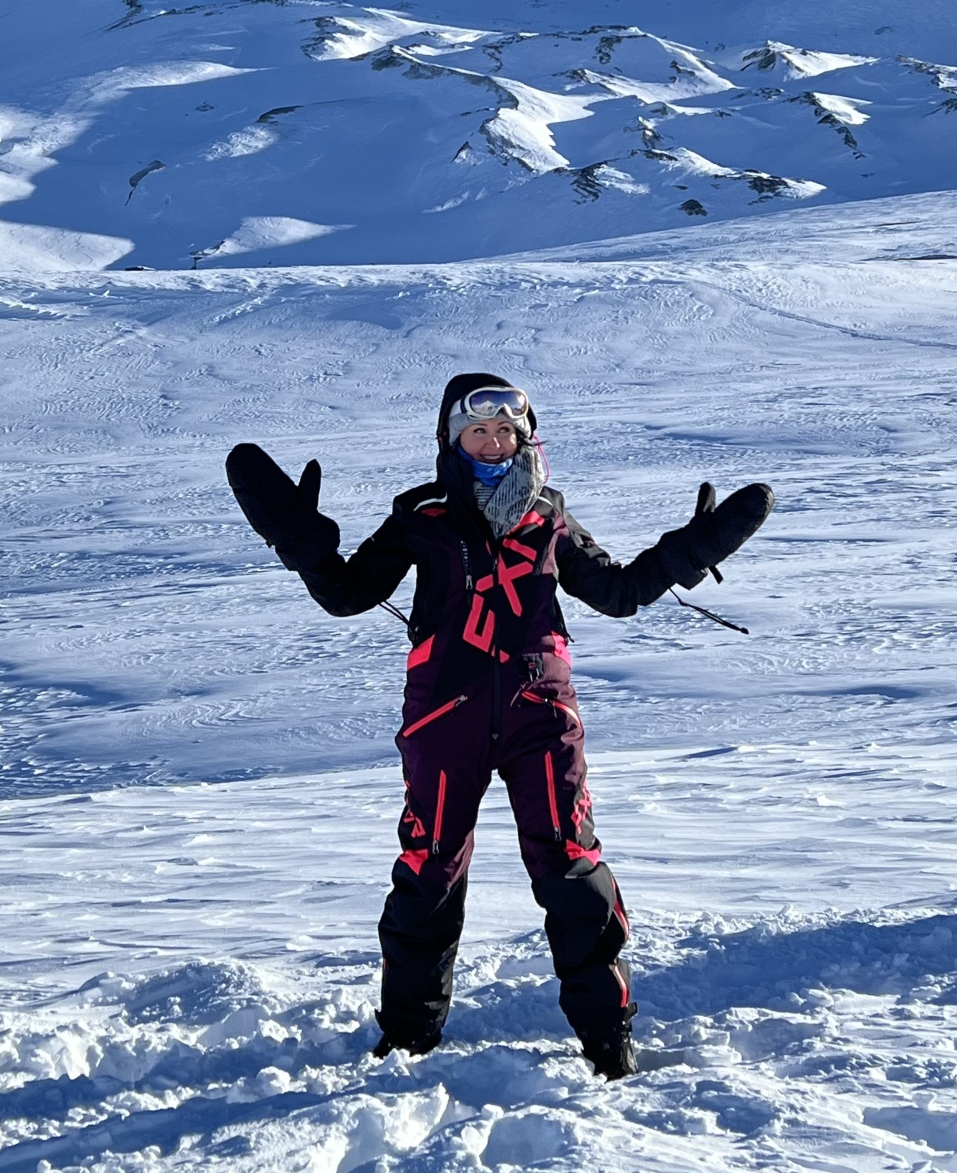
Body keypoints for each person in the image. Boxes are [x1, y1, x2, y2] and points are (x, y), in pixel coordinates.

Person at [226, 373, 772, 1079]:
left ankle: (609, 1039)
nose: (492, 442)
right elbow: (347, 592)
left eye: (506, 431)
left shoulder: (549, 517)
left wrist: (692, 550)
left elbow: (618, 591)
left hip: (541, 718)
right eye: (477, 431)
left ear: (525, 438)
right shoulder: (420, 516)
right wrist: (300, 538)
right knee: (429, 870)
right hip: (442, 718)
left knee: (573, 870)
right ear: (451, 439)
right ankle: (409, 1037)